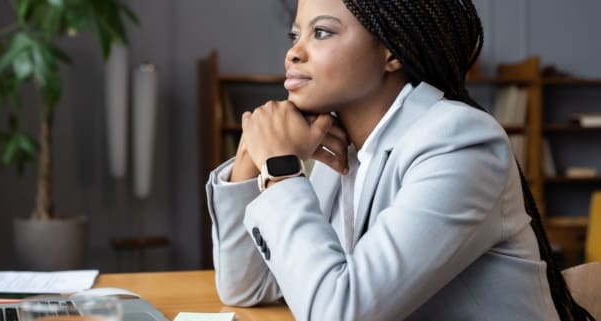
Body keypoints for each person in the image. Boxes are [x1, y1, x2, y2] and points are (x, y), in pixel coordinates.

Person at [205, 0, 593, 320]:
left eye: (321, 32)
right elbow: (246, 287)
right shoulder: (339, 145)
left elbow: (341, 312)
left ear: (392, 51)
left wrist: (280, 168)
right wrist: (249, 157)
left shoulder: (459, 143)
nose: (294, 51)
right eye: (296, 34)